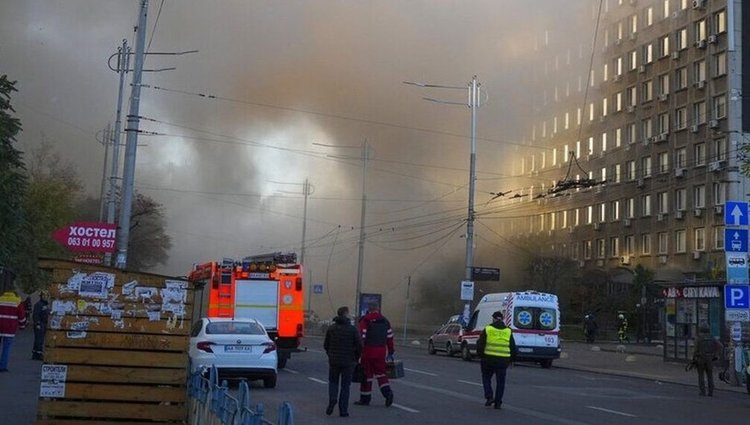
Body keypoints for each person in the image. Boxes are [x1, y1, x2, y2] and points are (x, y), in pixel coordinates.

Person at [324, 306, 362, 417]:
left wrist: (330, 355)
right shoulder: (352, 329)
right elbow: (359, 345)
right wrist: (356, 357)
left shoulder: (331, 328)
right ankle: (343, 410)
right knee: (346, 386)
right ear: (346, 314)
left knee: (333, 382)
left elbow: (326, 345)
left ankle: (332, 399)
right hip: (348, 361)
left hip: (334, 361)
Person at [354, 302, 394, 407]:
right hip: (381, 351)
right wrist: (390, 351)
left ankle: (365, 399)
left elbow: (362, 336)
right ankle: (388, 393)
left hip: (368, 351)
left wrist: (358, 351)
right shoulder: (385, 321)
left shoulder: (365, 320)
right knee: (381, 374)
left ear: (368, 309)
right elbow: (390, 337)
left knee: (366, 374)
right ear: (378, 308)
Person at [476, 310, 516, 409]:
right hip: (503, 360)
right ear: (502, 319)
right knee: (500, 382)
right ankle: (498, 403)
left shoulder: (488, 329)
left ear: (493, 319)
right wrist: (512, 359)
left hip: (488, 359)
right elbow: (513, 346)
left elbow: (481, 344)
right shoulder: (508, 330)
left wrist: (481, 356)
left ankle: (489, 397)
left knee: (486, 378)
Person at [0, 288, 27, 372]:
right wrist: (22, 326)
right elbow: (21, 316)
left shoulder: (0, 299)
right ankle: (2, 366)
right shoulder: (17, 301)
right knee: (6, 347)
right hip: (10, 329)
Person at [692, 327, 723, 396]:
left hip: (701, 359)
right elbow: (721, 346)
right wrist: (716, 355)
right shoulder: (712, 338)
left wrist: (694, 358)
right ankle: (710, 391)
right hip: (710, 359)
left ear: (701, 331)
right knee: (710, 375)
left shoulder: (699, 338)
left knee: (701, 375)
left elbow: (695, 350)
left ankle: (702, 391)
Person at [32, 291, 50, 361]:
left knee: (39, 339)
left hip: (44, 323)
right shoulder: (38, 304)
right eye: (44, 296)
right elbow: (35, 315)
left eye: (46, 296)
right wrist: (37, 323)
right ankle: (38, 354)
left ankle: (35, 353)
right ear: (41, 296)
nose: (45, 297)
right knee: (39, 340)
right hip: (40, 324)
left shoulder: (45, 305)